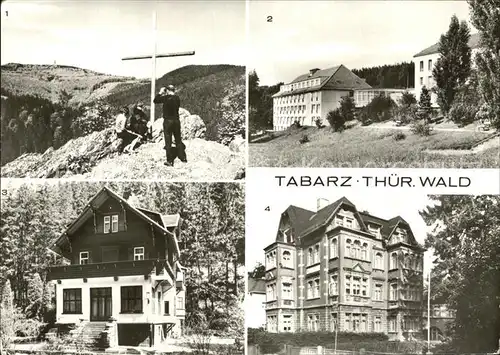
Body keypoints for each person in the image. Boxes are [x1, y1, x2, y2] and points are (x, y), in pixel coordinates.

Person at [153, 84, 186, 166]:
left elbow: (155, 100)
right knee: (178, 139)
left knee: (168, 141)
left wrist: (160, 92)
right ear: (174, 90)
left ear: (167, 90)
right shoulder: (177, 98)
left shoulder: (165, 98)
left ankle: (170, 161)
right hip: (176, 121)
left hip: (168, 121)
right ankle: (183, 158)